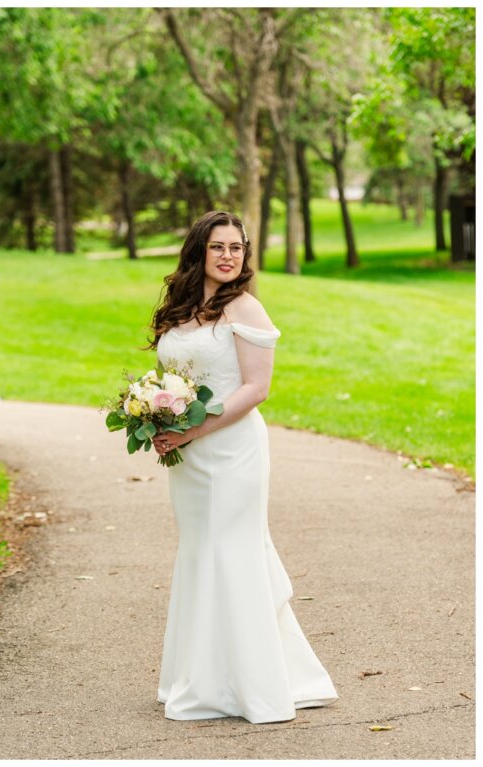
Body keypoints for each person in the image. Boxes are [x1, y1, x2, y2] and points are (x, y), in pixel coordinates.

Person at [148, 210, 338, 723]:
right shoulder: (180, 308)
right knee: (200, 551)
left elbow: (256, 389)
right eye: (218, 247)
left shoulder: (245, 309)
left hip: (232, 451)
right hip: (190, 459)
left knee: (233, 552)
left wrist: (192, 429)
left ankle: (254, 685)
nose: (228, 255)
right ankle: (201, 676)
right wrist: (154, 415)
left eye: (236, 247)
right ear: (199, 252)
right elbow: (174, 378)